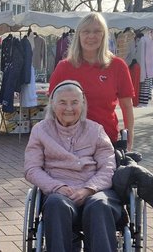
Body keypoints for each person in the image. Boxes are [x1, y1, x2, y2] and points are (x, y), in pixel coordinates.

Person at [25, 80, 121, 252]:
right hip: (59, 191)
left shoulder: (96, 130)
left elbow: (108, 167)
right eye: (62, 102)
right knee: (55, 204)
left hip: (95, 191)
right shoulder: (40, 130)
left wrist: (89, 189)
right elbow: (32, 168)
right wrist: (57, 186)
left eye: (74, 102)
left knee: (100, 205)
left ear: (83, 105)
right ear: (53, 105)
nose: (69, 108)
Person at [49, 12, 135, 151]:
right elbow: (52, 106)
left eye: (97, 31)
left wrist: (130, 135)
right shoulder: (64, 67)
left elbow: (126, 106)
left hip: (106, 140)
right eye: (86, 31)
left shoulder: (117, 66)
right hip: (70, 141)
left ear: (104, 35)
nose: (91, 36)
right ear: (79, 35)